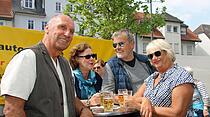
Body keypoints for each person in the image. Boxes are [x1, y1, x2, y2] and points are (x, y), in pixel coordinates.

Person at [0, 14, 93, 117]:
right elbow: (12, 110)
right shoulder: (28, 57)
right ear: (47, 28)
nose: (67, 34)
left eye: (71, 31)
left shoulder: (65, 64)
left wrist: (83, 110)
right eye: (62, 27)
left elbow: (71, 98)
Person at [126, 39, 194, 117]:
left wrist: (140, 106)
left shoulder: (181, 76)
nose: (154, 58)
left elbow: (177, 113)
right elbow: (133, 99)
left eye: (157, 54)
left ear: (168, 53)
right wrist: (145, 100)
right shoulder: (152, 77)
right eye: (150, 56)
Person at [102, 29, 155, 94]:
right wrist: (127, 99)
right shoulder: (110, 66)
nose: (117, 48)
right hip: (128, 103)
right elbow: (106, 93)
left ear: (132, 44)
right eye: (114, 45)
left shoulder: (146, 61)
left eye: (121, 44)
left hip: (152, 102)